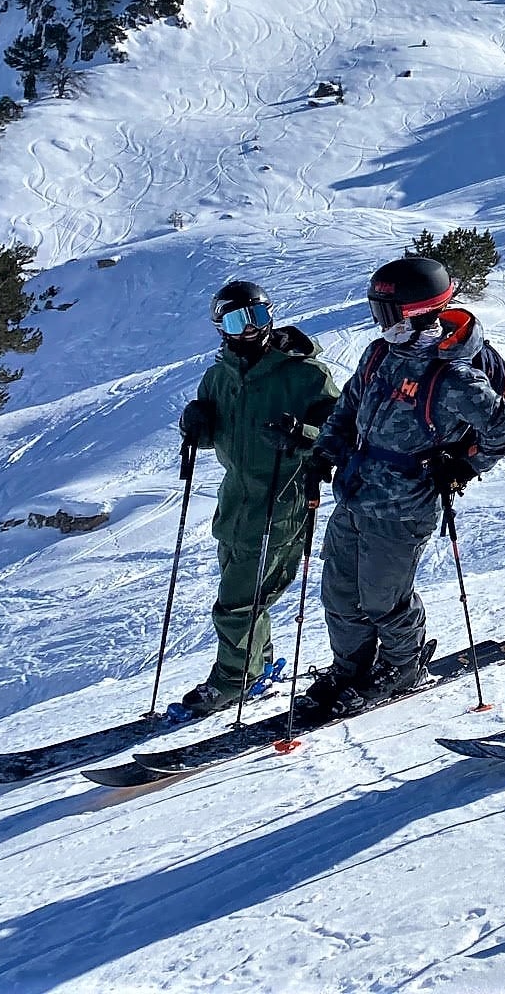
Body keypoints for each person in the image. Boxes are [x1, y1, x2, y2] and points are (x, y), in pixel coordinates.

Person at [301, 255, 505, 716]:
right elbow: (348, 406)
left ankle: (402, 666)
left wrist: (463, 466)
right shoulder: (379, 355)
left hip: (403, 508)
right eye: (377, 313)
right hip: (354, 493)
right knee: (339, 594)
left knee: (383, 599)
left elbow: (502, 432)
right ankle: (350, 668)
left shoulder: (455, 377)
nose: (382, 325)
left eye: (388, 314)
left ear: (420, 313)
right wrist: (323, 454)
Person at [174, 280, 340, 716]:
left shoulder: (306, 375)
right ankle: (258, 662)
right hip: (235, 501)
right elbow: (212, 435)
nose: (250, 328)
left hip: (282, 501)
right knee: (247, 594)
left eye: (258, 316)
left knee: (236, 602)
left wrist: (303, 435)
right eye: (237, 320)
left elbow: (341, 431)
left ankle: (235, 679)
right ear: (220, 327)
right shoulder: (219, 377)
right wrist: (195, 426)